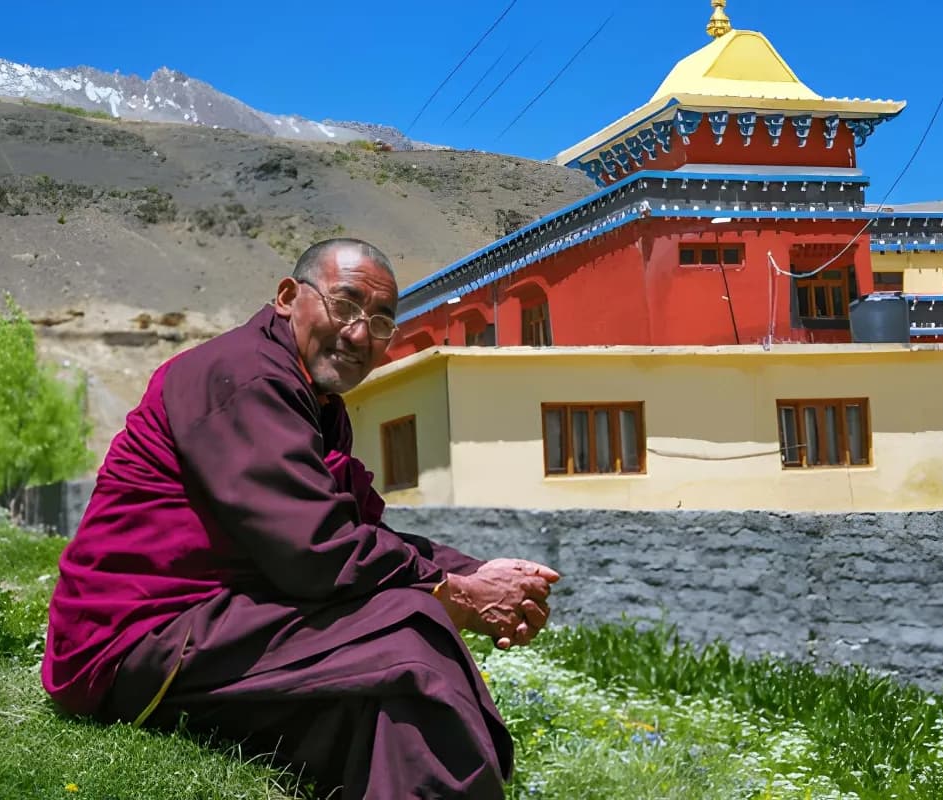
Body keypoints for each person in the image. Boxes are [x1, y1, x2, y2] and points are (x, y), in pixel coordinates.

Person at [41, 238, 560, 799]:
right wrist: (455, 593)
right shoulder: (246, 377)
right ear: (288, 296)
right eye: (345, 306)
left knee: (380, 705)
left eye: (381, 321)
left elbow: (360, 534)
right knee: (412, 630)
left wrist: (480, 573)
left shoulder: (311, 400)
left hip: (219, 624)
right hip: (137, 641)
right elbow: (316, 553)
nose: (360, 335)